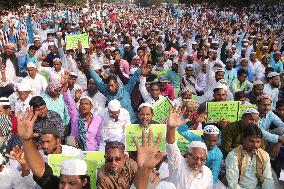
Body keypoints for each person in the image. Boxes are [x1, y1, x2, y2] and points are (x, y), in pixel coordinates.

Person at [166, 107, 213, 189]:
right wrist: (171, 128)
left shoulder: (207, 173)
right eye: (195, 158)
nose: (198, 162)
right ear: (188, 155)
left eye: (202, 159)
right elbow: (171, 145)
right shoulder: (178, 164)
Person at [86, 55, 141, 123]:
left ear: (117, 84)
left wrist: (142, 65)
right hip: (117, 125)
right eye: (108, 86)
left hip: (131, 122)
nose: (110, 88)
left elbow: (134, 77)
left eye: (112, 85)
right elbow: (97, 80)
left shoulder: (126, 90)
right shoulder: (106, 91)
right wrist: (89, 68)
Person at [62, 73, 102, 151]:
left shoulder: (97, 119)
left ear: (91, 106)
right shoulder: (75, 116)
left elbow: (99, 138)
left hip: (92, 149)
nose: (83, 105)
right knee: (69, 139)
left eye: (86, 104)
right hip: (77, 149)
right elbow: (69, 102)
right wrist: (64, 86)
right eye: (82, 104)